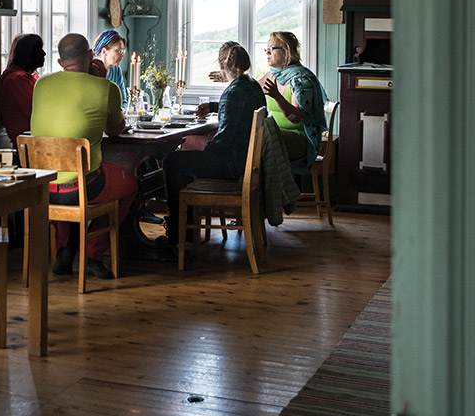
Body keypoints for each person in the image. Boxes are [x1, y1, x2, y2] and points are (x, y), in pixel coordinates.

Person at [30, 33, 138, 279]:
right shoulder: (106, 88)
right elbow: (116, 129)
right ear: (91, 56)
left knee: (68, 177)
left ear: (60, 63)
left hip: (43, 186)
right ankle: (93, 254)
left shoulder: (40, 84)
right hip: (83, 185)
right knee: (130, 184)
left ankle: (65, 251)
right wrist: (98, 81)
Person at [160, 41, 266, 248]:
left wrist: (203, 147)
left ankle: (178, 231)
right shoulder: (252, 85)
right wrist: (214, 106)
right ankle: (187, 227)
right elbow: (238, 107)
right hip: (244, 161)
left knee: (172, 161)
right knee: (184, 160)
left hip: (231, 164)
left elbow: (223, 143)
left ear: (221, 64)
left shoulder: (232, 92)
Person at [259, 31, 327, 172]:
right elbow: (250, 90)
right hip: (277, 136)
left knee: (261, 137)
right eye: (267, 49)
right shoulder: (272, 75)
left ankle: (270, 190)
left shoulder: (300, 79)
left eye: (272, 49)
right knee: (255, 136)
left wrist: (277, 97)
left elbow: (295, 118)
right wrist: (230, 77)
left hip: (300, 140)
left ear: (287, 51)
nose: (267, 53)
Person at [0, 33, 46, 150]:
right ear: (29, 54)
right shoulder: (17, 80)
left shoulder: (23, 77)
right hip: (30, 146)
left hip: (33, 142)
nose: (44, 54)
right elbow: (36, 113)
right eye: (40, 50)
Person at [93, 29, 128, 108]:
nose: (123, 55)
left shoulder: (116, 70)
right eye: (119, 51)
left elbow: (123, 101)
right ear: (104, 51)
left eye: (123, 51)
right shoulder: (92, 69)